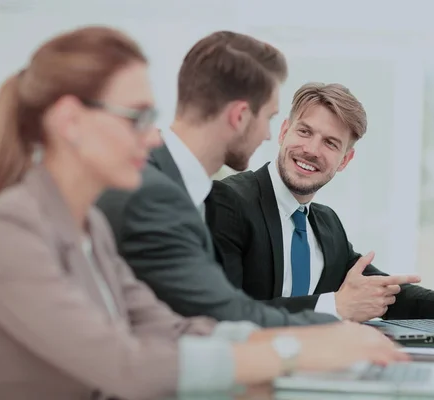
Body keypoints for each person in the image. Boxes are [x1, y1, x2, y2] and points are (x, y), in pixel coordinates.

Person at [0, 27, 407, 399]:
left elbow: (174, 327)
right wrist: (295, 349)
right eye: (137, 117)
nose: (152, 137)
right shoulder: (7, 230)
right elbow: (123, 364)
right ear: (70, 122)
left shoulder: (88, 225)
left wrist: (333, 337)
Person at [96, 31, 350, 326]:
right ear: (240, 116)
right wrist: (336, 329)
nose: (269, 135)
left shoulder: (175, 185)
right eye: (268, 118)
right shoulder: (154, 194)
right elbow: (220, 315)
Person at [206, 82, 434, 322]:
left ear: (345, 160)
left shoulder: (327, 223)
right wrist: (334, 306)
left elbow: (374, 291)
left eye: (330, 143)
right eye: (304, 131)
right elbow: (224, 313)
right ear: (284, 131)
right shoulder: (229, 201)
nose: (311, 150)